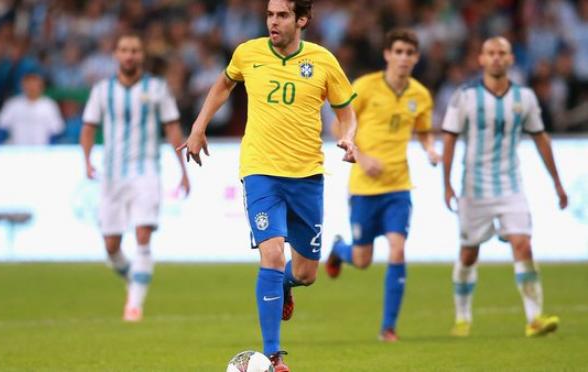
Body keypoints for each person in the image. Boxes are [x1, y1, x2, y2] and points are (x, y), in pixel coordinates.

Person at [178, 1, 357, 370]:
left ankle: (286, 285)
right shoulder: (248, 52)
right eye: (270, 15)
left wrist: (349, 136)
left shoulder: (323, 61)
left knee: (306, 272)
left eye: (282, 16)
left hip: (306, 176)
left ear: (302, 20)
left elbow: (346, 111)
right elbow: (223, 85)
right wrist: (198, 128)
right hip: (261, 171)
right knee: (272, 254)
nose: (273, 22)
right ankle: (274, 357)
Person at [441, 37, 568, 338]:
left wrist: (557, 182)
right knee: (469, 254)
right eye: (490, 53)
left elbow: (540, 138)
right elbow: (449, 138)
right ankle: (463, 317)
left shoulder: (525, 97)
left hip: (511, 186)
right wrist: (446, 184)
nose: (496, 58)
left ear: (511, 59)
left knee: (523, 244)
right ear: (481, 60)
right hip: (474, 188)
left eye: (502, 53)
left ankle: (534, 319)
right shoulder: (465, 96)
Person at [325, 29, 439, 342]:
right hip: (364, 186)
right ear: (387, 54)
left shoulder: (420, 95)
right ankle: (337, 250)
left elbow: (424, 130)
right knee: (362, 260)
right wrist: (360, 157)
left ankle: (388, 328)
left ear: (416, 58)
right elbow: (339, 125)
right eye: (398, 51)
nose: (404, 57)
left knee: (398, 249)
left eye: (409, 53)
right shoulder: (365, 87)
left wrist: (429, 148)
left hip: (399, 186)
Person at [80, 32, 190, 322]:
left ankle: (134, 306)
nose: (130, 55)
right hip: (112, 175)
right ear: (116, 54)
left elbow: (173, 129)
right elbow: (89, 127)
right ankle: (135, 279)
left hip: (146, 173)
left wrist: (183, 170)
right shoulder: (102, 91)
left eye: (135, 51)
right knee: (111, 247)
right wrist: (87, 160)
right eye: (125, 50)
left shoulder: (157, 88)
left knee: (143, 235)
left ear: (142, 56)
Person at [0, 71, 64, 145]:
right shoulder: (13, 104)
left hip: (42, 152)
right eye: (28, 85)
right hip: (16, 152)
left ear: (41, 86)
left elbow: (56, 131)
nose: (31, 88)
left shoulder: (49, 105)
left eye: (34, 85)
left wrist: (49, 152)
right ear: (22, 86)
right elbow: (1, 128)